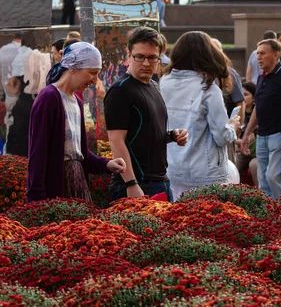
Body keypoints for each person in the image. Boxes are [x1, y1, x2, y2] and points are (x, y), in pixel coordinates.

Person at [26, 42, 126, 202]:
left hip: (77, 182)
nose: (95, 80)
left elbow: (78, 153)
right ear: (74, 67)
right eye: (92, 72)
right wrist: (36, 198)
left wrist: (107, 164)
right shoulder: (49, 97)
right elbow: (38, 151)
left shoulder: (76, 102)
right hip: (58, 186)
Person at [105, 27, 189, 202]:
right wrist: (131, 183)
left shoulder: (153, 85)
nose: (145, 63)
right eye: (139, 56)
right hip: (136, 183)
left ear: (159, 58)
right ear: (129, 55)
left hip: (160, 180)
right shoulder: (120, 90)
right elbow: (116, 140)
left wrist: (172, 136)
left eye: (152, 58)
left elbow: (144, 133)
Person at [160, 31, 240, 200]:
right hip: (205, 172)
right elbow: (222, 136)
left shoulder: (164, 82)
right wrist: (233, 126)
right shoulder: (208, 88)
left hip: (172, 167)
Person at [240, 39, 281, 199]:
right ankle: (269, 216)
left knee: (275, 176)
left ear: (276, 54)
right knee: (263, 181)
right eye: (257, 53)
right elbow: (257, 108)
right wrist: (247, 133)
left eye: (262, 53)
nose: (258, 57)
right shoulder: (262, 77)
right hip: (262, 136)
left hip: (280, 135)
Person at [0, 31, 24, 153]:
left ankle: (9, 156)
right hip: (23, 96)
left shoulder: (3, 50)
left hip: (8, 94)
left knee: (10, 124)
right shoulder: (26, 51)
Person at [235, 81, 259, 186]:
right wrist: (241, 142)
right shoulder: (236, 112)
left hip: (256, 152)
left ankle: (261, 195)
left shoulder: (258, 112)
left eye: (246, 95)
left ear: (254, 98)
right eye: (241, 94)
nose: (242, 98)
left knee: (254, 165)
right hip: (239, 150)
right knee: (233, 167)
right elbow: (231, 136)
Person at [4, 76, 33, 157]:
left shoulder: (21, 105)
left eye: (9, 84)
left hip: (20, 148)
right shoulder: (26, 101)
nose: (6, 86)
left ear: (17, 86)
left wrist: (10, 150)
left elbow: (17, 129)